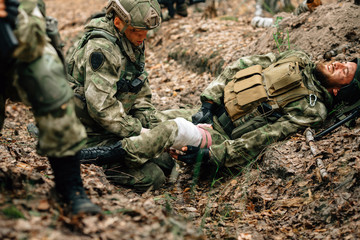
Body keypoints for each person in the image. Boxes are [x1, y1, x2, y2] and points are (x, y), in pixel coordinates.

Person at [77, 50, 359, 176]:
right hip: (207, 115)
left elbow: (265, 137)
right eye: (345, 61)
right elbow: (243, 64)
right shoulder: (297, 58)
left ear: (339, 92)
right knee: (143, 120)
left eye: (346, 71)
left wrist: (216, 157)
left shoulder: (312, 109)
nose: (340, 64)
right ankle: (81, 137)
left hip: (221, 137)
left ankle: (103, 155)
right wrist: (208, 102)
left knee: (167, 132)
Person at [66, 0, 194, 192]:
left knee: (167, 162)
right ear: (118, 22)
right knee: (153, 178)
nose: (143, 36)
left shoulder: (130, 38)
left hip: (114, 126)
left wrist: (150, 123)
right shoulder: (103, 48)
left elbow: (139, 90)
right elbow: (102, 109)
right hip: (87, 131)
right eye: (137, 30)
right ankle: (91, 159)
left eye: (145, 31)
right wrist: (139, 132)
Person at [0, 0, 100, 215]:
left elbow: (30, 42)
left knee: (47, 76)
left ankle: (69, 186)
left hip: (18, 49)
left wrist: (9, 17)